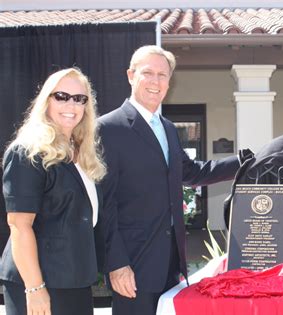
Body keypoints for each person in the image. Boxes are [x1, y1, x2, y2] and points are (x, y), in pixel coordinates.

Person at [98, 45, 240, 315]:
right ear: (130, 75)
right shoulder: (108, 129)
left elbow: (193, 173)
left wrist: (244, 161)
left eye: (163, 75)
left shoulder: (168, 129)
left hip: (170, 261)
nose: (156, 81)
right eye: (148, 73)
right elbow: (104, 206)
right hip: (133, 264)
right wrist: (116, 264)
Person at [0, 68, 106, 315]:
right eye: (62, 96)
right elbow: (19, 225)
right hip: (40, 281)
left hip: (75, 280)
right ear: (46, 100)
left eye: (80, 99)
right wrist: (35, 288)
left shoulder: (81, 153)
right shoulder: (27, 151)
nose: (72, 104)